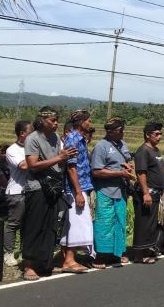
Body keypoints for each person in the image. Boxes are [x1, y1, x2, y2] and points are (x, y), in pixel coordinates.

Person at [23, 107, 77, 281]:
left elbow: (58, 164)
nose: (56, 124)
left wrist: (65, 158)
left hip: (53, 187)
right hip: (37, 187)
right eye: (52, 120)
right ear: (42, 121)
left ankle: (45, 263)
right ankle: (29, 266)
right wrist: (59, 158)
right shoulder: (33, 139)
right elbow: (32, 165)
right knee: (35, 226)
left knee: (51, 226)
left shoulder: (55, 138)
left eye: (57, 120)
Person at [91, 116, 134, 266]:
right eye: (119, 130)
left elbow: (127, 161)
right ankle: (100, 256)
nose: (122, 133)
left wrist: (128, 168)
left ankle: (117, 253)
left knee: (120, 222)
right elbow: (96, 171)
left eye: (122, 130)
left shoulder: (123, 145)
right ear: (109, 132)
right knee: (104, 223)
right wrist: (120, 174)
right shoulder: (101, 146)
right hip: (105, 191)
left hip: (120, 191)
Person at [61, 110, 97, 272]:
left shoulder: (81, 139)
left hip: (82, 185)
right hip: (75, 188)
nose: (89, 123)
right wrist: (77, 192)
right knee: (78, 223)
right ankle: (69, 260)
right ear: (81, 122)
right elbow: (71, 167)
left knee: (77, 223)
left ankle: (69, 257)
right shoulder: (73, 139)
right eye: (88, 120)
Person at [132, 122, 164, 264]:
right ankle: (139, 254)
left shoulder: (155, 150)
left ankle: (148, 249)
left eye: (160, 133)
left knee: (152, 223)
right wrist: (146, 193)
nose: (159, 136)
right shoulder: (143, 151)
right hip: (147, 193)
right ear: (147, 135)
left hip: (157, 193)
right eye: (156, 134)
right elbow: (141, 173)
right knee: (144, 223)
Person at [3, 120, 33, 266]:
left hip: (30, 191)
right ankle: (8, 254)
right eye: (30, 132)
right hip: (16, 192)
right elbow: (23, 166)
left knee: (27, 224)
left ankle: (23, 252)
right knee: (13, 224)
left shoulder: (32, 148)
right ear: (22, 134)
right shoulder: (12, 150)